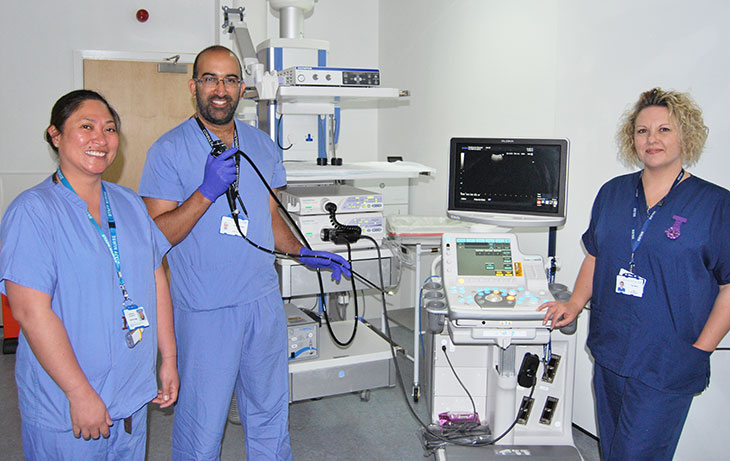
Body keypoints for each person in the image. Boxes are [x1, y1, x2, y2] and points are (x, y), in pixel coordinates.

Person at [138, 45, 351, 460]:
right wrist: (204, 192)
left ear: (242, 88)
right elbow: (155, 235)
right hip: (205, 310)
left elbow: (271, 219)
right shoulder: (168, 150)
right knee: (203, 422)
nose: (220, 89)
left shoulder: (263, 145)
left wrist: (306, 252)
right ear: (193, 86)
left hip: (261, 303)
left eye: (230, 79)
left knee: (270, 413)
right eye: (210, 79)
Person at [539, 87, 730, 460]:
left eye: (664, 130)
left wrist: (697, 352)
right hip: (611, 351)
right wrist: (574, 303)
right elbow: (595, 256)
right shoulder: (612, 193)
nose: (652, 139)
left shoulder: (715, 205)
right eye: (642, 131)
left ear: (685, 136)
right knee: (612, 450)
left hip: (668, 360)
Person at [0, 90, 178, 460]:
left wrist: (169, 360)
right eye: (86, 127)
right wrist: (79, 393)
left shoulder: (128, 202)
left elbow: (155, 278)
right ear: (56, 135)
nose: (101, 139)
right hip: (67, 404)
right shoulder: (32, 213)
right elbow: (31, 313)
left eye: (110, 129)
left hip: (129, 394)